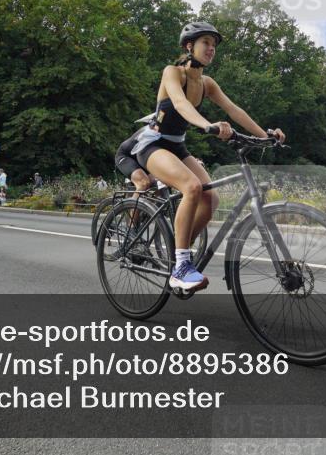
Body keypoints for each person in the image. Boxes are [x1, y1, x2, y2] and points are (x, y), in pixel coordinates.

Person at [112, 21, 285, 293]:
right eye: (206, 43)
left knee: (210, 197)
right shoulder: (173, 73)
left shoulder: (207, 84)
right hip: (153, 145)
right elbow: (180, 104)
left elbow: (233, 109)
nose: (211, 49)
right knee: (191, 187)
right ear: (189, 45)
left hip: (178, 148)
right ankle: (180, 267)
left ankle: (176, 251)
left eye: (214, 46)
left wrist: (266, 134)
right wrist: (207, 125)